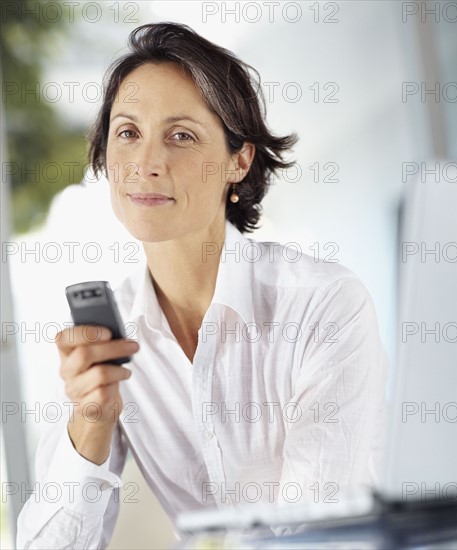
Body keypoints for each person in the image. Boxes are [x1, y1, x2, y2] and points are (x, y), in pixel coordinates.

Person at [17, 22, 388, 549]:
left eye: (181, 136)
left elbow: (313, 534)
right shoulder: (106, 341)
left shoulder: (323, 306)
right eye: (128, 133)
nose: (146, 164)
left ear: (239, 160)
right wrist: (91, 421)